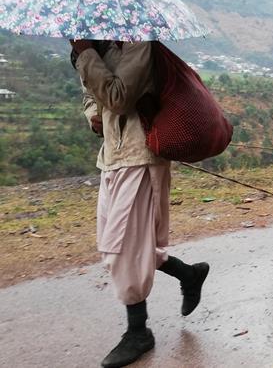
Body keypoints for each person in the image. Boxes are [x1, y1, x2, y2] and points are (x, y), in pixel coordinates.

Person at [72, 39, 210, 367]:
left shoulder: (138, 45)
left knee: (121, 248)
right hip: (113, 156)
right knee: (122, 242)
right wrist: (93, 112)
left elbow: (119, 98)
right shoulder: (100, 46)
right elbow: (94, 97)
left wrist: (86, 54)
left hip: (140, 156)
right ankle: (188, 274)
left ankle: (138, 332)